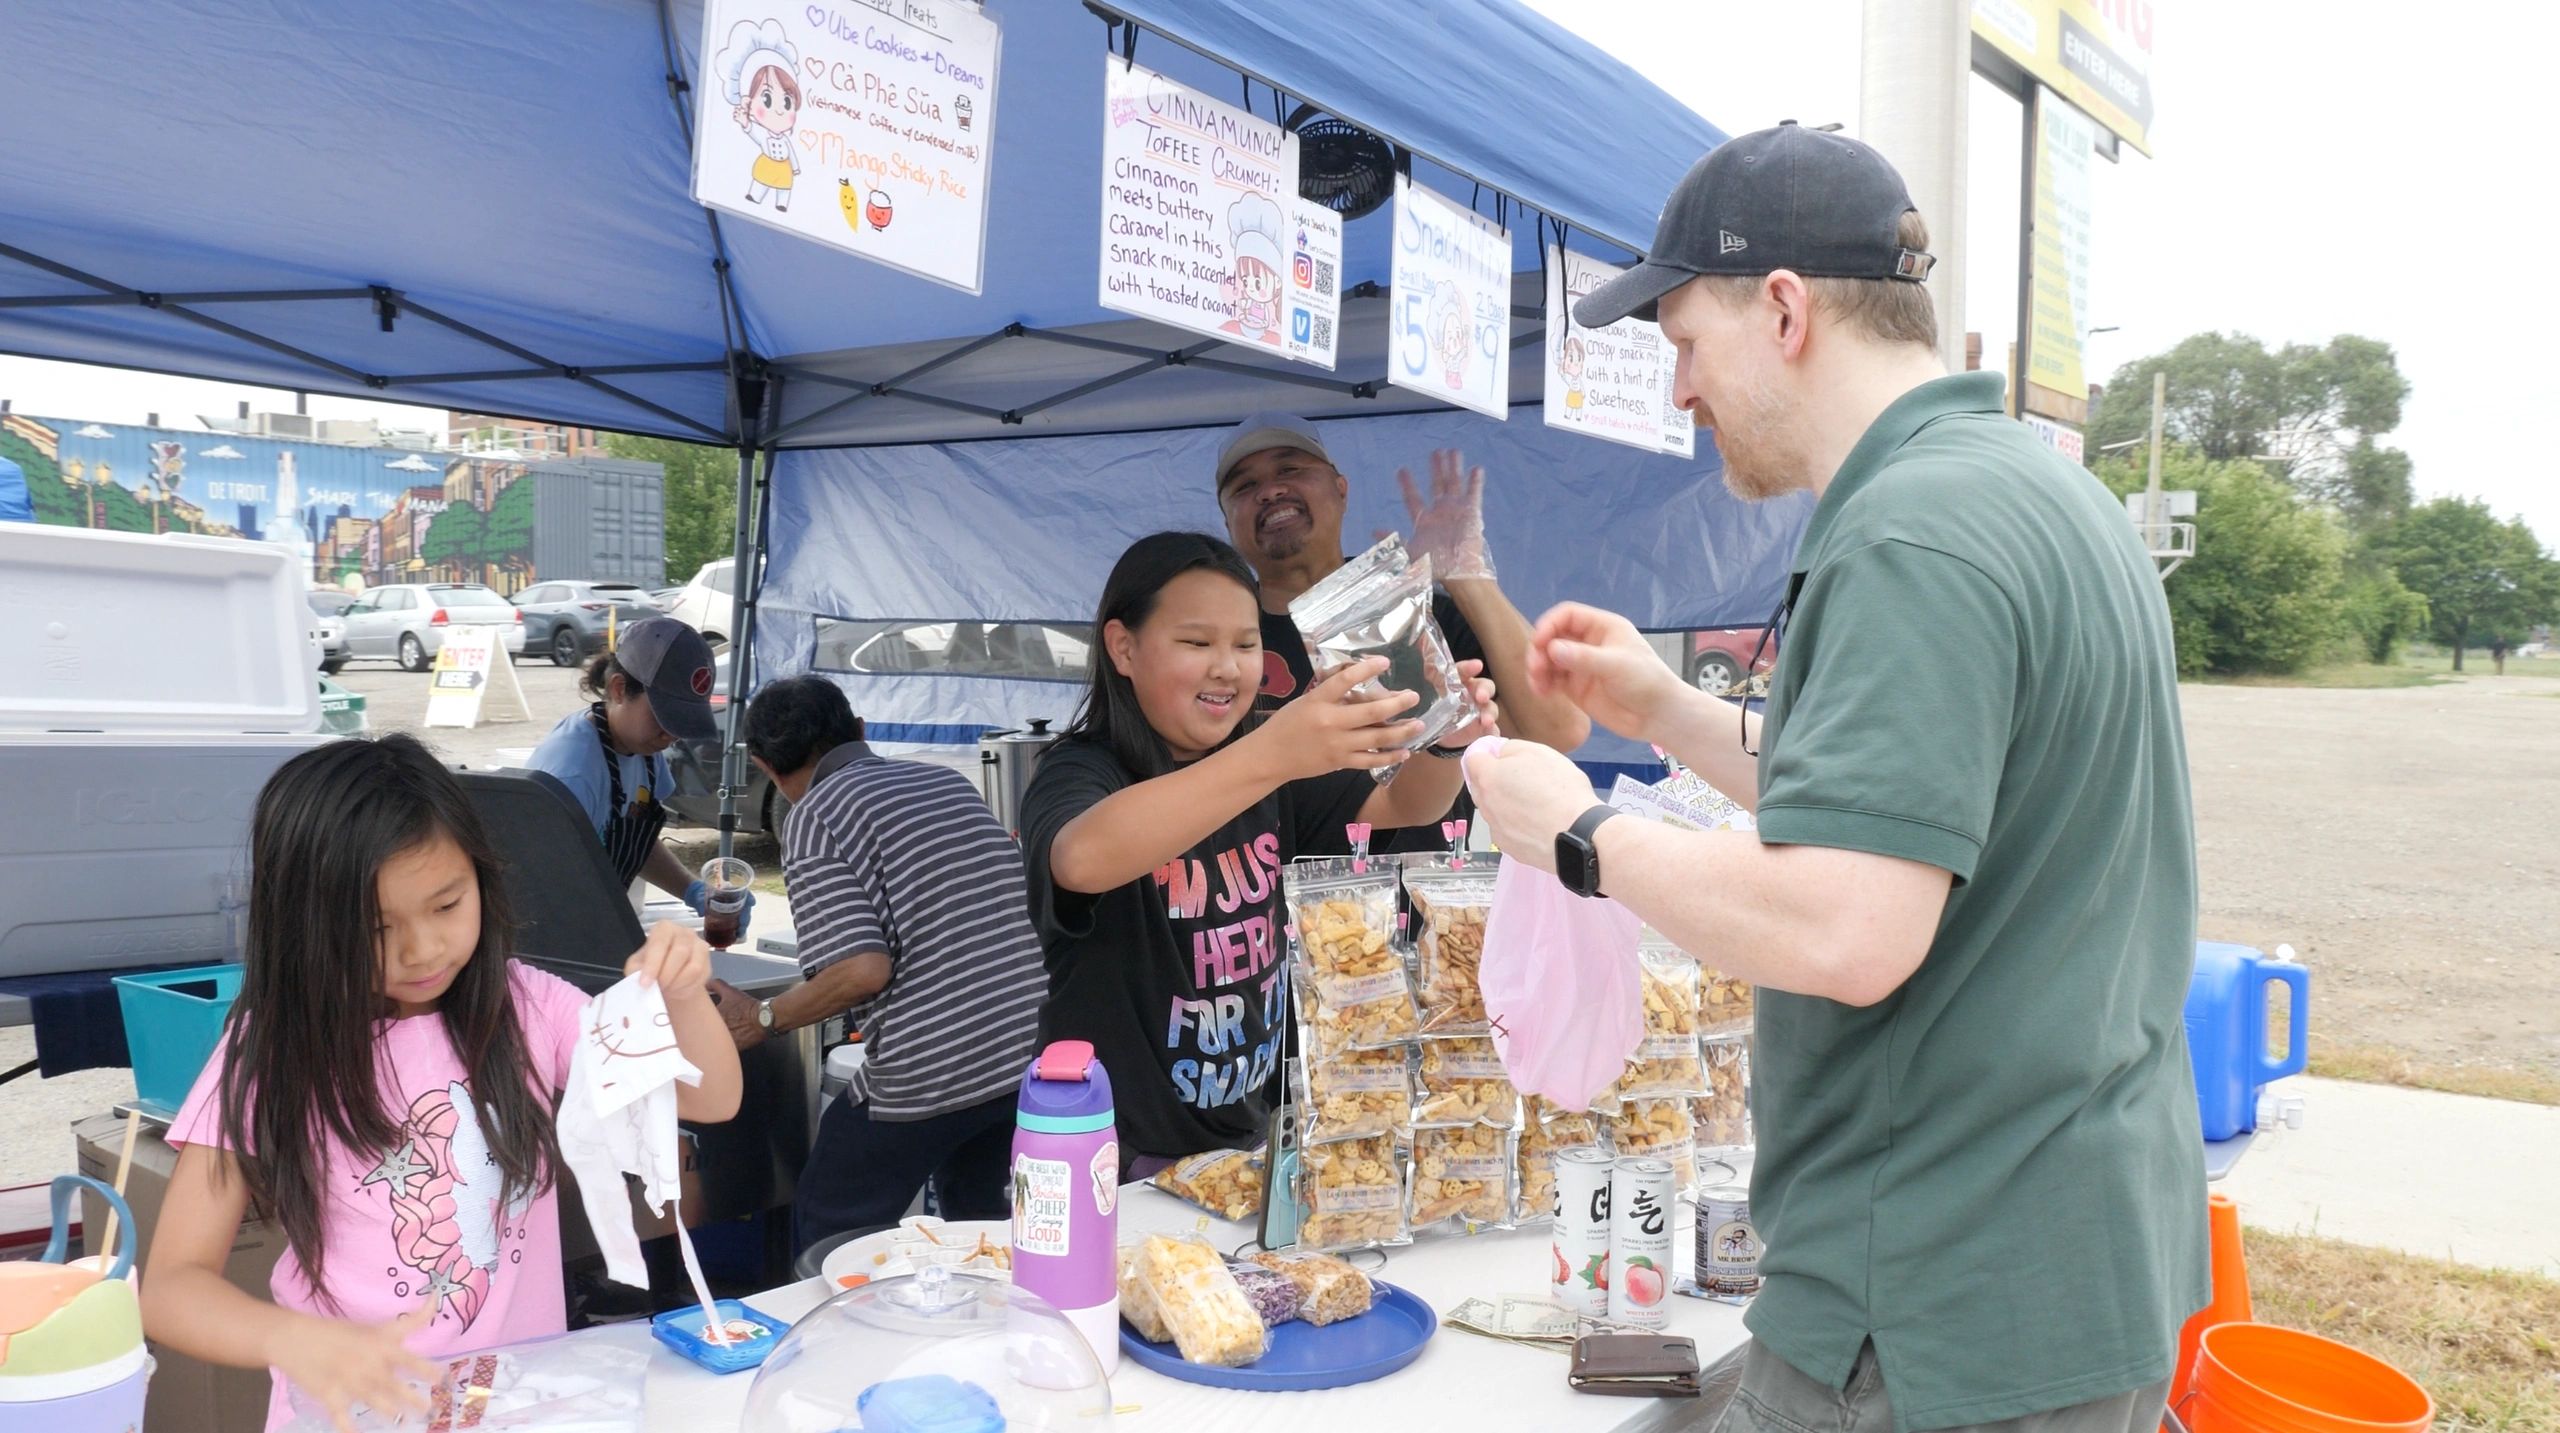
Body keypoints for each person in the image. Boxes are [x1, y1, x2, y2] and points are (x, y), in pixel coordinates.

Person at [1464, 124, 2206, 1433]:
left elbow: (1849, 927)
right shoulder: (2038, 496)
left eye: (1686, 342)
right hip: (2069, 1268)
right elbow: (1916, 809)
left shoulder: (1908, 533)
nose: (1680, 391)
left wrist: (1578, 832)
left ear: (1784, 310)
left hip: (1933, 1304)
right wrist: (1669, 710)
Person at [140, 735, 742, 1431]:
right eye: (375, 927)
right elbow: (171, 1287)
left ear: (481, 879)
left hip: (514, 1406)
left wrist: (684, 993)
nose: (422, 949)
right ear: (304, 925)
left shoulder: (526, 1008)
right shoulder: (275, 1049)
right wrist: (291, 1338)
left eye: (447, 905)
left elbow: (710, 1098)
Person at [1020, 532, 1497, 1174]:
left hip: (1246, 1146)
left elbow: (1406, 806)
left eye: (1246, 645)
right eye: (1197, 643)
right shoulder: (1082, 769)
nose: (1227, 667)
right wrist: (1273, 752)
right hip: (1115, 1155)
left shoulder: (1267, 766)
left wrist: (1443, 743)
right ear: (1123, 648)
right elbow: (1081, 858)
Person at [712, 676, 1048, 1251]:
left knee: (830, 1228)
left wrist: (762, 1018)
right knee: (983, 1228)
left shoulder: (815, 816)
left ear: (765, 766)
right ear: (861, 731)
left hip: (934, 1064)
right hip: (1024, 1049)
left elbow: (862, 970)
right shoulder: (946, 781)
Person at [1214, 412, 1590, 846]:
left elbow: (1559, 730)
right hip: (1265, 887)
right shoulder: (1218, 645)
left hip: (1424, 887)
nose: (1270, 490)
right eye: (1244, 486)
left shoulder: (1422, 614)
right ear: (1228, 524)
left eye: (1290, 469)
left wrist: (1467, 578)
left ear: (1341, 489)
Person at [523, 616, 751, 936]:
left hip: (600, 923)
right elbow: (540, 886)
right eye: (663, 717)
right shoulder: (572, 775)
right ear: (618, 689)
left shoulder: (641, 746)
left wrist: (694, 891)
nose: (671, 734)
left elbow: (635, 840)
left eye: (681, 721)